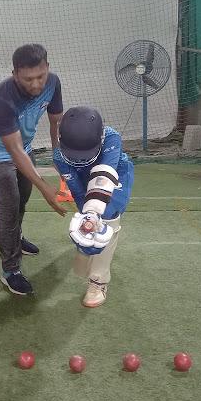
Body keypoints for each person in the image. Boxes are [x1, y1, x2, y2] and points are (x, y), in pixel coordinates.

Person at [0, 43, 67, 296]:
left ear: (47, 68)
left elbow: (55, 122)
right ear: (15, 74)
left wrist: (58, 156)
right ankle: (10, 270)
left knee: (22, 198)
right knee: (9, 206)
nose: (36, 84)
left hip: (22, 144)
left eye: (40, 76)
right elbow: (13, 152)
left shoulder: (53, 82)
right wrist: (47, 189)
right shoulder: (1, 98)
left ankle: (16, 237)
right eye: (28, 79)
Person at [53, 107, 134, 307]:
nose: (80, 159)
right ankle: (92, 243)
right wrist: (87, 218)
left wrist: (94, 215)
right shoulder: (58, 156)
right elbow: (79, 193)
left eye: (84, 154)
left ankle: (98, 281)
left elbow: (103, 176)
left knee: (107, 215)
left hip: (114, 173)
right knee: (88, 218)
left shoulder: (111, 139)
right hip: (83, 179)